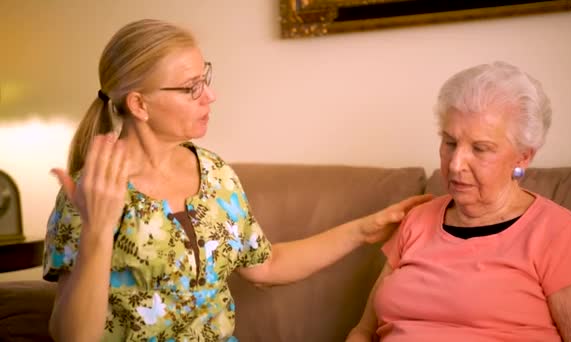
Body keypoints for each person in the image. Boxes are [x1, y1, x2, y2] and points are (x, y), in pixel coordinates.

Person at [41, 19, 432, 342]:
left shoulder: (216, 173)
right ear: (139, 104)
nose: (210, 95)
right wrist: (96, 231)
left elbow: (266, 265)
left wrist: (364, 231)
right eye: (191, 87)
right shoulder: (92, 191)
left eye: (205, 78)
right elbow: (72, 337)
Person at [347, 61, 571, 341]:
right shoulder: (417, 220)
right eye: (449, 143)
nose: (456, 164)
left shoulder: (557, 233)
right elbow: (363, 331)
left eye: (480, 149)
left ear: (523, 156)